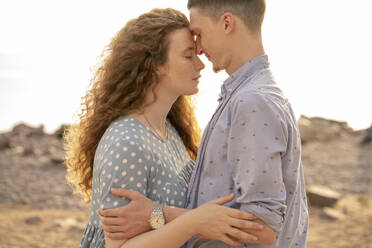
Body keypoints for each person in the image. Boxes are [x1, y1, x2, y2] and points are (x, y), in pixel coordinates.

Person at [99, 0, 309, 247]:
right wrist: (176, 218)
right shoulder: (246, 96)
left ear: (227, 23)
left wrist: (158, 214)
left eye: (198, 33)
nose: (198, 48)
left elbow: (261, 229)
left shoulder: (252, 101)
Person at [64, 8, 269, 248]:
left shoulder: (169, 130)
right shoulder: (125, 143)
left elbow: (157, 221)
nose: (200, 64)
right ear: (154, 66)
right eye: (188, 55)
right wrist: (192, 223)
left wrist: (175, 218)